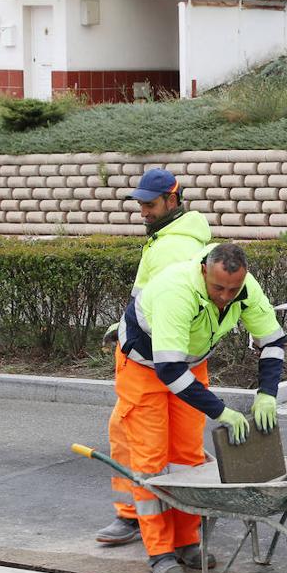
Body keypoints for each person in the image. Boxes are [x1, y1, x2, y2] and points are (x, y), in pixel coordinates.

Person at [116, 242, 285, 573]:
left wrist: (267, 393)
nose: (225, 296)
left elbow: (272, 341)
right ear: (204, 271)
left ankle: (186, 541)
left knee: (188, 459)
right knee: (152, 461)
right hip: (143, 367)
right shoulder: (176, 291)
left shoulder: (245, 290)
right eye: (218, 288)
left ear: (245, 277)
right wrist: (221, 411)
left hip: (189, 366)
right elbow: (168, 370)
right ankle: (160, 551)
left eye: (233, 289)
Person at [95, 169, 210, 547]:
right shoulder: (171, 236)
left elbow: (166, 310)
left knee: (151, 450)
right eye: (140, 203)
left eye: (149, 204)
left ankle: (148, 525)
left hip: (153, 361)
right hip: (172, 356)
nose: (142, 211)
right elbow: (150, 300)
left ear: (172, 201)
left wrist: (141, 342)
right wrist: (123, 323)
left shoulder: (170, 246)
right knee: (153, 442)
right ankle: (167, 527)